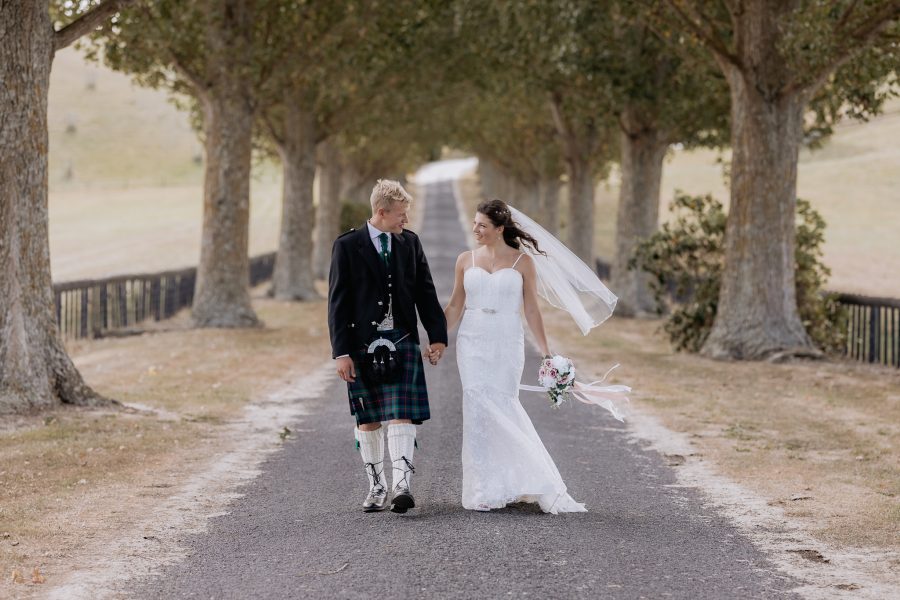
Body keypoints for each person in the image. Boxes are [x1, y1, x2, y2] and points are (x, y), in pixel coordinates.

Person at [443, 199, 607, 514]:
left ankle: (530, 477)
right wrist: (438, 341)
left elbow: (531, 308)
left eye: (482, 225)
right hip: (472, 340)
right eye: (475, 223)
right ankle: (482, 489)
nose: (476, 229)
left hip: (507, 339)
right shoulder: (465, 260)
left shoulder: (522, 263)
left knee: (503, 403)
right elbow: (454, 306)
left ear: (500, 229)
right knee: (477, 404)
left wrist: (546, 351)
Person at [328, 180, 447, 513]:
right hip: (362, 344)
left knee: (402, 414)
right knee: (368, 418)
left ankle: (401, 486)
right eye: (400, 215)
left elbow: (425, 291)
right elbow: (337, 302)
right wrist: (341, 352)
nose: (405, 221)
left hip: (404, 340)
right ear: (381, 212)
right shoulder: (348, 245)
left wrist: (437, 335)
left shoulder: (409, 243)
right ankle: (376, 486)